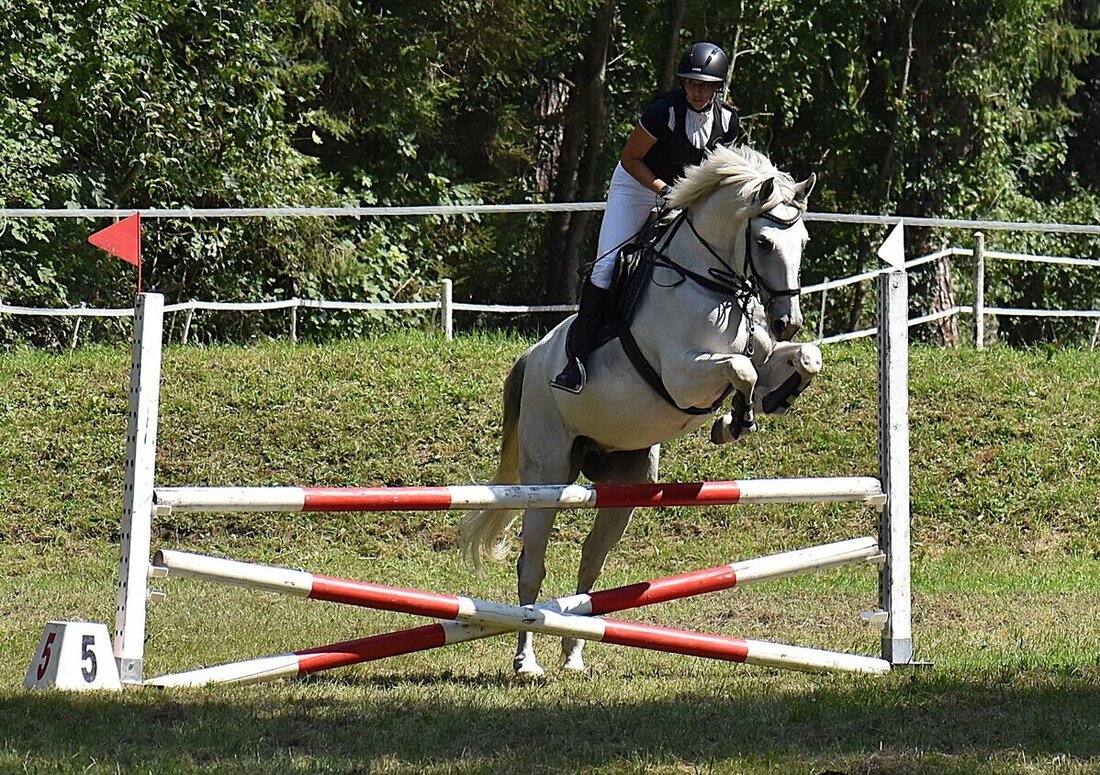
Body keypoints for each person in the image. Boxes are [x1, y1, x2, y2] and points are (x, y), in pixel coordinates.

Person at [552, 41, 746, 394]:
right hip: (639, 185)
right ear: (683, 84)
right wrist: (664, 192)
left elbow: (721, 175)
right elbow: (631, 160)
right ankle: (575, 360)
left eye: (705, 85)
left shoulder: (729, 122)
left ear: (718, 87)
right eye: (691, 83)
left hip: (687, 196)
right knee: (607, 265)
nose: (698, 91)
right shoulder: (663, 113)